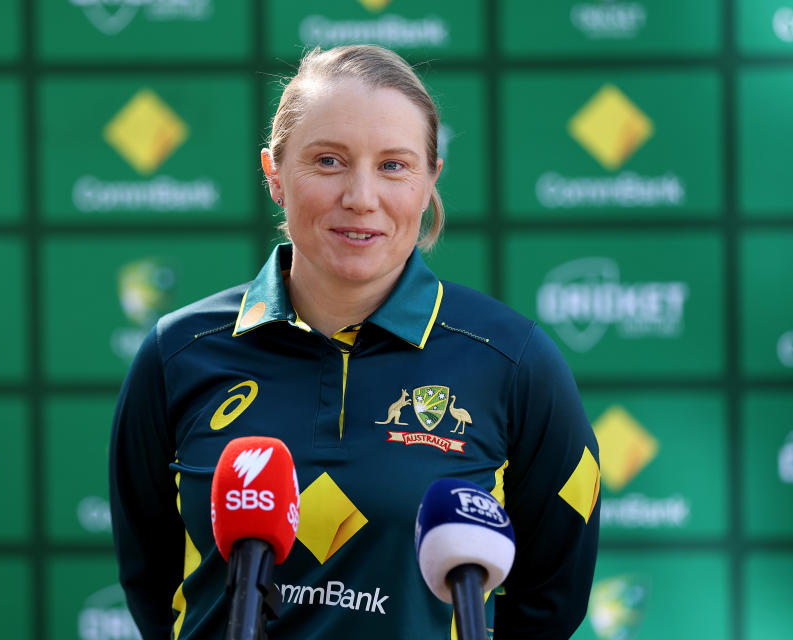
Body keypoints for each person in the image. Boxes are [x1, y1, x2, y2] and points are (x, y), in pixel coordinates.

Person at [110, 44, 600, 640]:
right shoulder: (178, 353)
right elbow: (152, 581)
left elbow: (552, 598)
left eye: (394, 165)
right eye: (328, 161)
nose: (361, 197)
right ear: (274, 174)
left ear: (429, 181)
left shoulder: (514, 361)